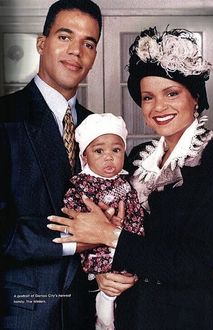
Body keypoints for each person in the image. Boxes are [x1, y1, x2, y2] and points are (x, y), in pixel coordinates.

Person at [47, 27, 213, 329]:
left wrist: (107, 235)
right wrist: (103, 274)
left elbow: (193, 264)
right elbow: (130, 238)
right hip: (134, 313)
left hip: (191, 317)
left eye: (172, 93)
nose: (158, 107)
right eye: (148, 97)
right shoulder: (135, 159)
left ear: (195, 97)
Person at [0, 1, 115, 329]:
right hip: (23, 313)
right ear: (42, 43)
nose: (76, 51)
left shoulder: (100, 128)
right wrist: (76, 241)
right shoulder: (6, 116)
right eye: (65, 37)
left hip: (86, 309)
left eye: (88, 43)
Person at [59, 112, 144, 329]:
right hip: (97, 247)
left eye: (116, 150)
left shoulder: (126, 182)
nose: (109, 157)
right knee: (108, 289)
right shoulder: (83, 185)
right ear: (85, 157)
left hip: (126, 240)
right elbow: (75, 214)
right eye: (99, 151)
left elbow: (136, 210)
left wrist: (129, 229)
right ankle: (104, 317)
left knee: (127, 280)